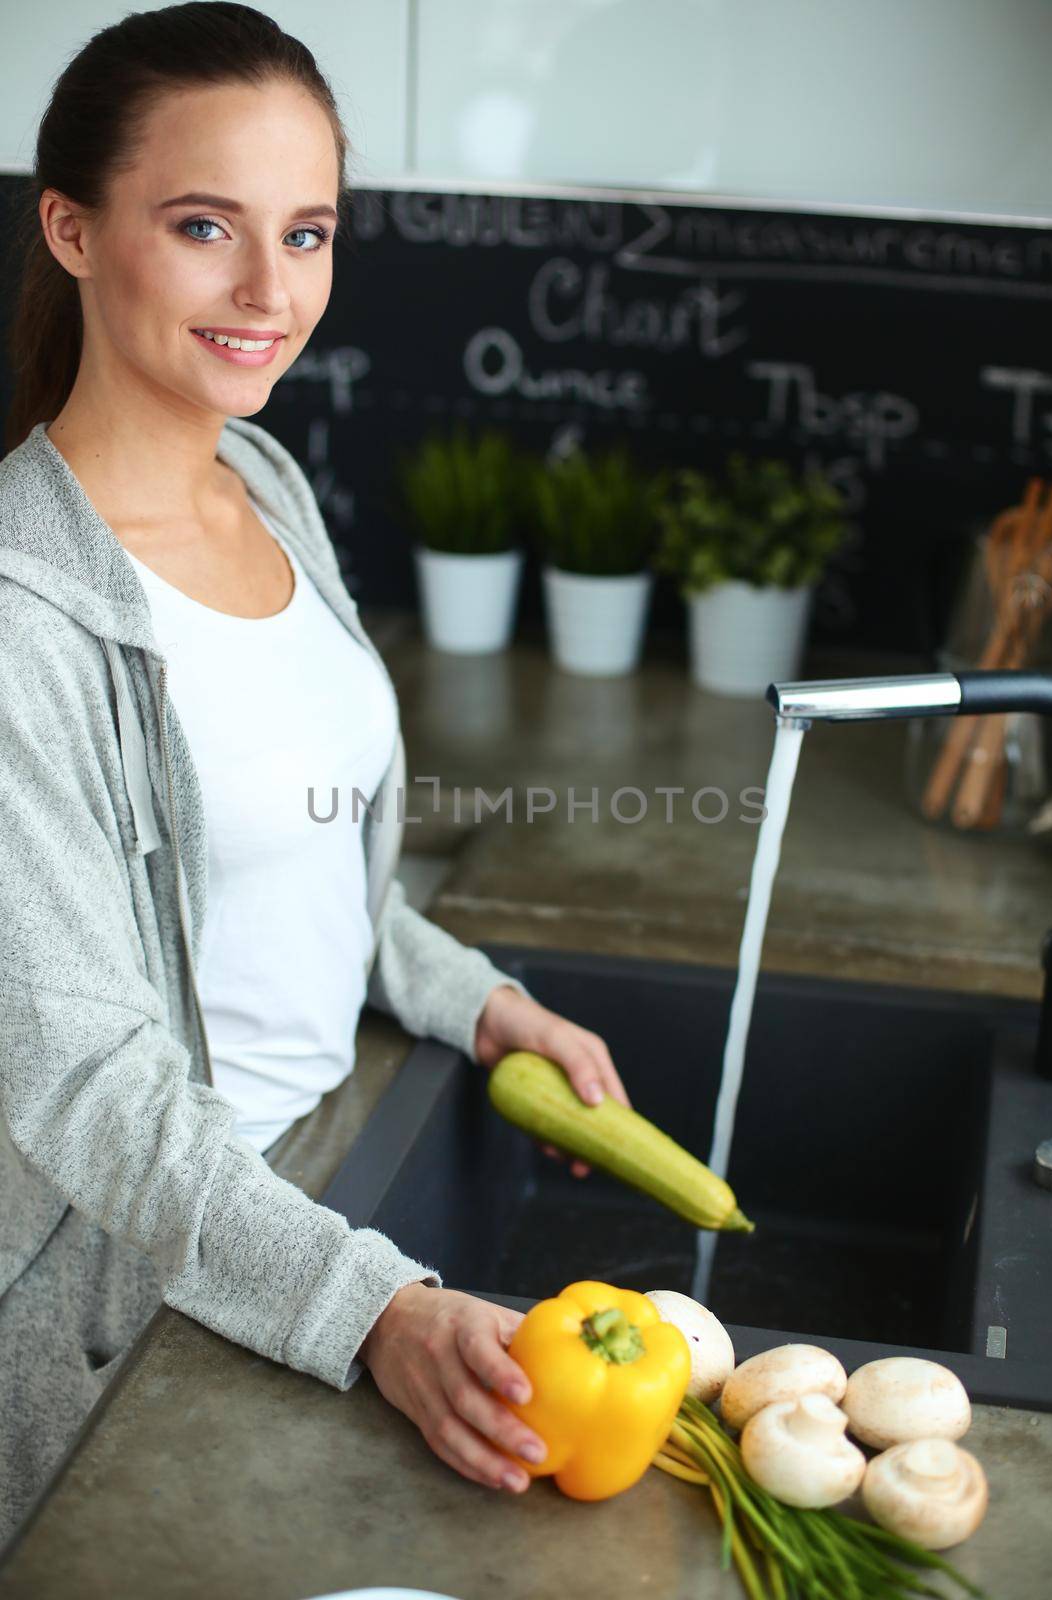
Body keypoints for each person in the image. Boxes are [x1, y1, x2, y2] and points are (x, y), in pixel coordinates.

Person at [0, 1, 633, 1552]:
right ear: (72, 231)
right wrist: (378, 1312)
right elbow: (85, 1085)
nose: (269, 294)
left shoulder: (263, 478)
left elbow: (307, 836)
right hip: (132, 1281)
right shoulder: (25, 617)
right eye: (205, 226)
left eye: (308, 232)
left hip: (328, 1167)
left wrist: (465, 990)